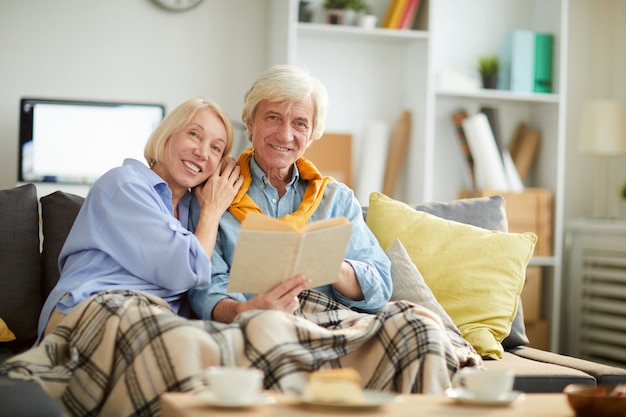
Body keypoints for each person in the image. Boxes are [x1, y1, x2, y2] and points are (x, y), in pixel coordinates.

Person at [188, 64, 393, 323]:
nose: (285, 135)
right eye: (273, 117)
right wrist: (248, 310)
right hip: (251, 323)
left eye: (299, 123)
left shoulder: (336, 199)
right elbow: (204, 291)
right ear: (250, 124)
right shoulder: (216, 191)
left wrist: (329, 265)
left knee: (420, 325)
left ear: (311, 136)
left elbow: (381, 287)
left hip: (329, 322)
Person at [36, 97, 244, 343]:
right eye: (194, 135)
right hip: (92, 305)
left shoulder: (194, 211)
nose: (202, 152)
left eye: (216, 148)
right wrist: (212, 210)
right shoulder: (123, 183)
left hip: (154, 320)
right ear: (167, 135)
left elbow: (214, 283)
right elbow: (183, 269)